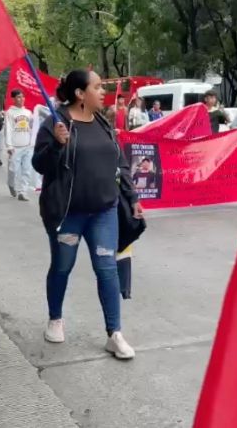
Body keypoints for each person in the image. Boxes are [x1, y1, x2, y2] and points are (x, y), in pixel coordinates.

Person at [32, 69, 143, 360]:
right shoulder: (55, 124)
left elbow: (121, 164)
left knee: (107, 268)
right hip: (68, 215)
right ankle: (55, 318)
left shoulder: (103, 123)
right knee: (62, 267)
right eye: (97, 87)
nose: (103, 91)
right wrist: (56, 144)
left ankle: (114, 334)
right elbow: (40, 165)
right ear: (80, 94)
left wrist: (132, 197)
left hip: (103, 212)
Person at [5, 89, 35, 201]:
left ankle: (23, 192)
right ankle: (11, 184)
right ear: (13, 99)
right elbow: (8, 129)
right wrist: (9, 146)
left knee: (27, 170)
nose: (21, 99)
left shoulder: (28, 113)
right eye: (18, 97)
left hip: (27, 145)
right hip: (15, 147)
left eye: (23, 97)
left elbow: (33, 126)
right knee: (13, 169)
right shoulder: (10, 113)